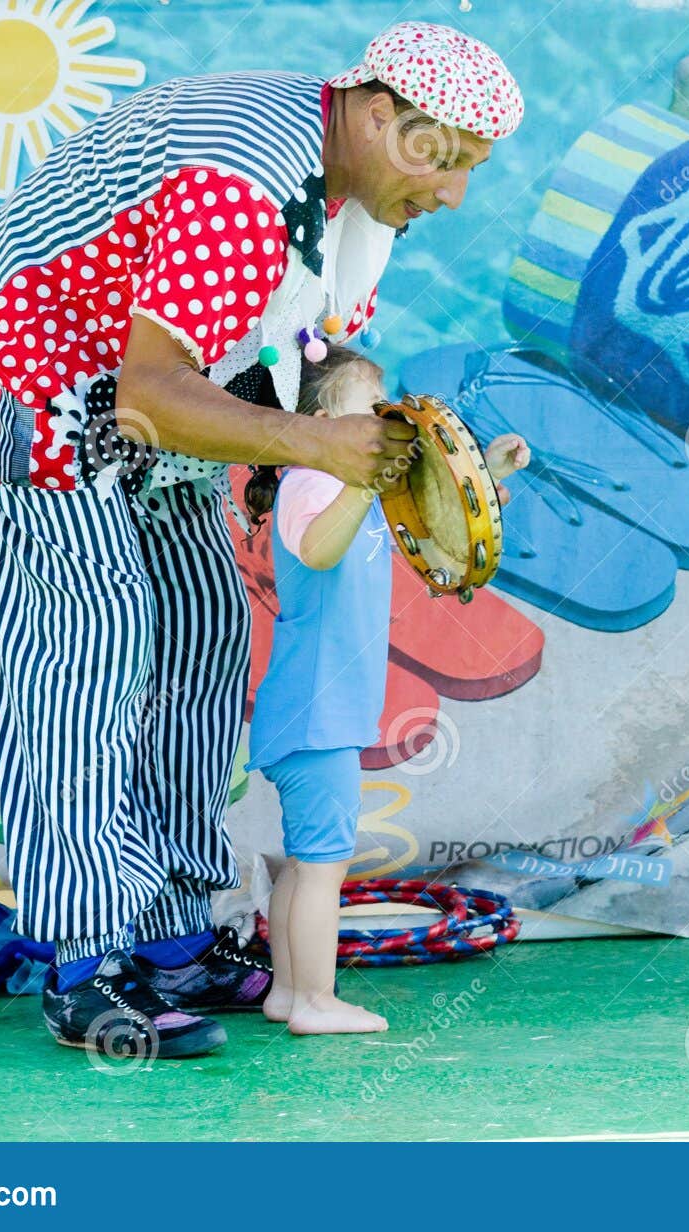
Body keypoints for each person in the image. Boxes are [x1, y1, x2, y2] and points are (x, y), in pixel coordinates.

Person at [0, 22, 524, 1058]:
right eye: (449, 160)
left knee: (207, 621)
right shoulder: (243, 186)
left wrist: (388, 450)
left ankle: (170, 929)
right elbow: (152, 391)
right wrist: (312, 443)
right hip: (34, 369)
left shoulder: (344, 201)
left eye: (473, 169)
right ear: (378, 114)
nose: (454, 194)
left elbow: (300, 352)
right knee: (93, 638)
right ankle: (84, 953)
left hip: (146, 386)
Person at [246, 349, 528, 1034]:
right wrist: (362, 482)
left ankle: (287, 991)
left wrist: (488, 473)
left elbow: (437, 521)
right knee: (322, 867)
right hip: (317, 712)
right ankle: (315, 1001)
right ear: (318, 424)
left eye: (384, 408)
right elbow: (316, 549)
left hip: (319, 712)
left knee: (305, 862)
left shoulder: (356, 494)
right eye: (364, 412)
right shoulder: (310, 484)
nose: (382, 423)